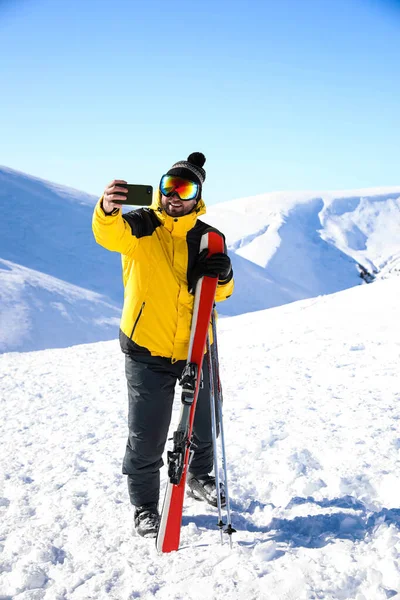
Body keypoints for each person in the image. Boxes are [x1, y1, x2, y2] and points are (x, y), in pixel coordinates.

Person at [92, 152, 234, 538]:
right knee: (146, 436)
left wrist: (224, 275)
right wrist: (107, 209)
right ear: (160, 190)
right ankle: (144, 506)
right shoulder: (139, 225)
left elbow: (222, 292)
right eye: (169, 186)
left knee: (204, 422)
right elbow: (108, 234)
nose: (175, 195)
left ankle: (199, 476)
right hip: (147, 349)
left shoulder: (210, 237)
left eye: (184, 188)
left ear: (197, 194)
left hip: (196, 346)